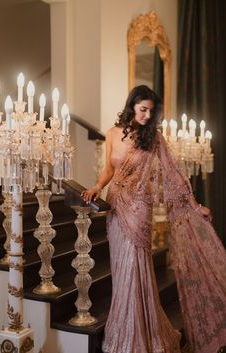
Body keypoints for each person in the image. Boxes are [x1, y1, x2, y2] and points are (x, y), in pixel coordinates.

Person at [81, 85, 226, 353]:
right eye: (142, 109)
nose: (147, 115)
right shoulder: (113, 133)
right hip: (115, 208)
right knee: (121, 270)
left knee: (136, 268)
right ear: (131, 107)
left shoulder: (154, 138)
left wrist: (195, 206)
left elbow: (175, 177)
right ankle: (123, 333)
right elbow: (109, 169)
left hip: (138, 209)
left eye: (150, 111)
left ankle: (143, 337)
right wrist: (96, 187)